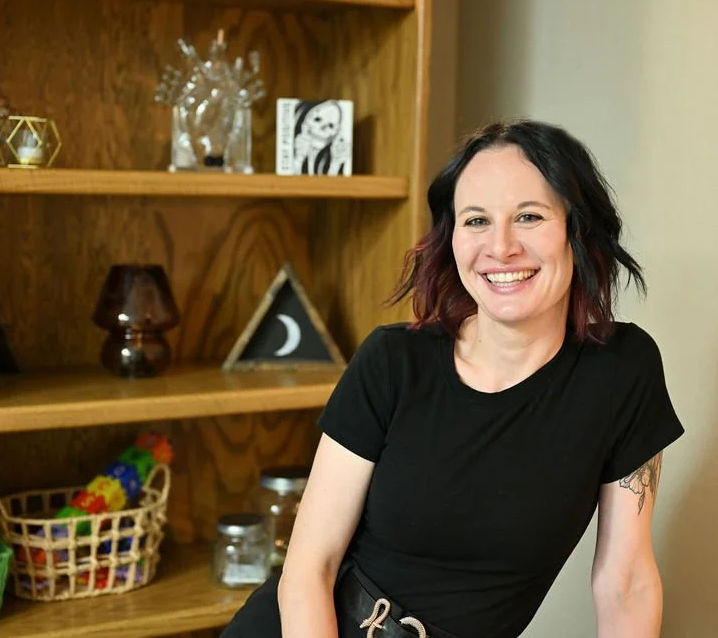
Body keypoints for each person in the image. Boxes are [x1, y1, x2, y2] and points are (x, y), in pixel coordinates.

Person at [222, 120, 685, 638]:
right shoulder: (393, 361)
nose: (501, 247)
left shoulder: (622, 371)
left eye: (529, 217)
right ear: (452, 239)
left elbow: (626, 582)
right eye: (476, 220)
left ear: (578, 233)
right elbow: (310, 569)